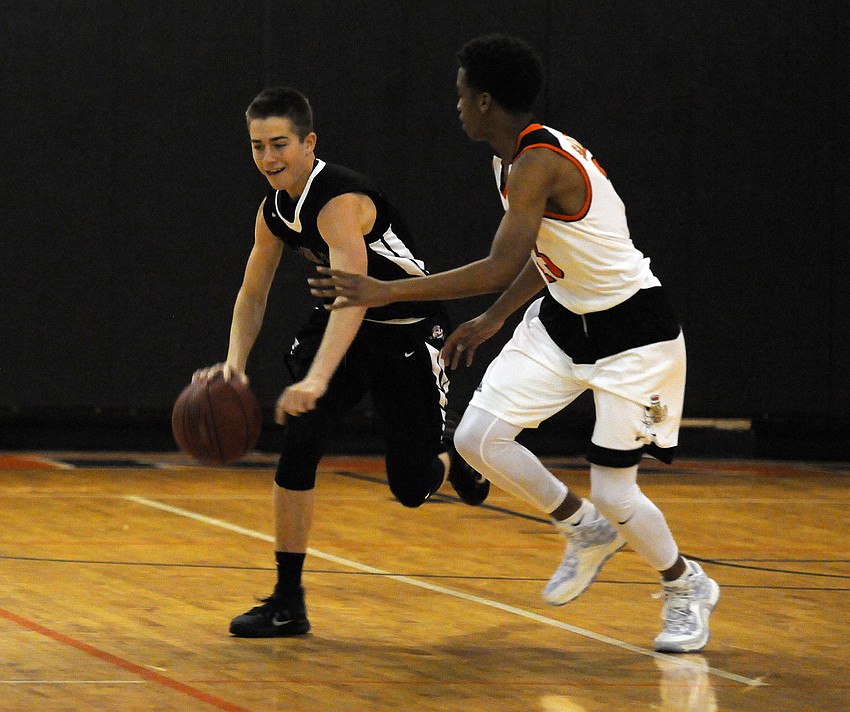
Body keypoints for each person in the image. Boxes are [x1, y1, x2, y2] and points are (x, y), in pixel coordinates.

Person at [309, 34, 719, 653]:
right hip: (564, 318)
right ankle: (583, 529)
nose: (456, 107)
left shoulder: (537, 163)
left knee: (615, 490)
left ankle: (686, 584)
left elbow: (500, 264)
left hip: (634, 334)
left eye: (461, 96)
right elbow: (542, 252)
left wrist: (385, 291)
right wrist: (493, 318)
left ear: (485, 102)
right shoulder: (509, 160)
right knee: (477, 440)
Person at [193, 86, 489, 638]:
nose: (268, 158)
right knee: (299, 439)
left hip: (406, 330)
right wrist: (234, 363)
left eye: (279, 144)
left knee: (410, 486)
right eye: (257, 146)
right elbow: (253, 292)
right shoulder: (273, 210)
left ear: (309, 143)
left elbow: (355, 295)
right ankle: (287, 602)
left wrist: (316, 379)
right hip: (345, 325)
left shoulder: (339, 201)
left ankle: (456, 458)